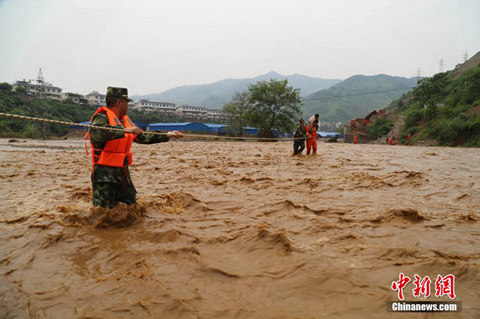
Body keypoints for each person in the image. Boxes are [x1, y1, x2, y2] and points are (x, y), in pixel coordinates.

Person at [84, 87, 183, 208]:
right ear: (119, 102)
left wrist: (168, 135)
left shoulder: (125, 121)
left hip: (123, 173)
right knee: (103, 211)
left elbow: (142, 137)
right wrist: (124, 130)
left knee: (132, 207)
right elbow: (96, 133)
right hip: (105, 175)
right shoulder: (101, 117)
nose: (128, 106)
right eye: (127, 103)